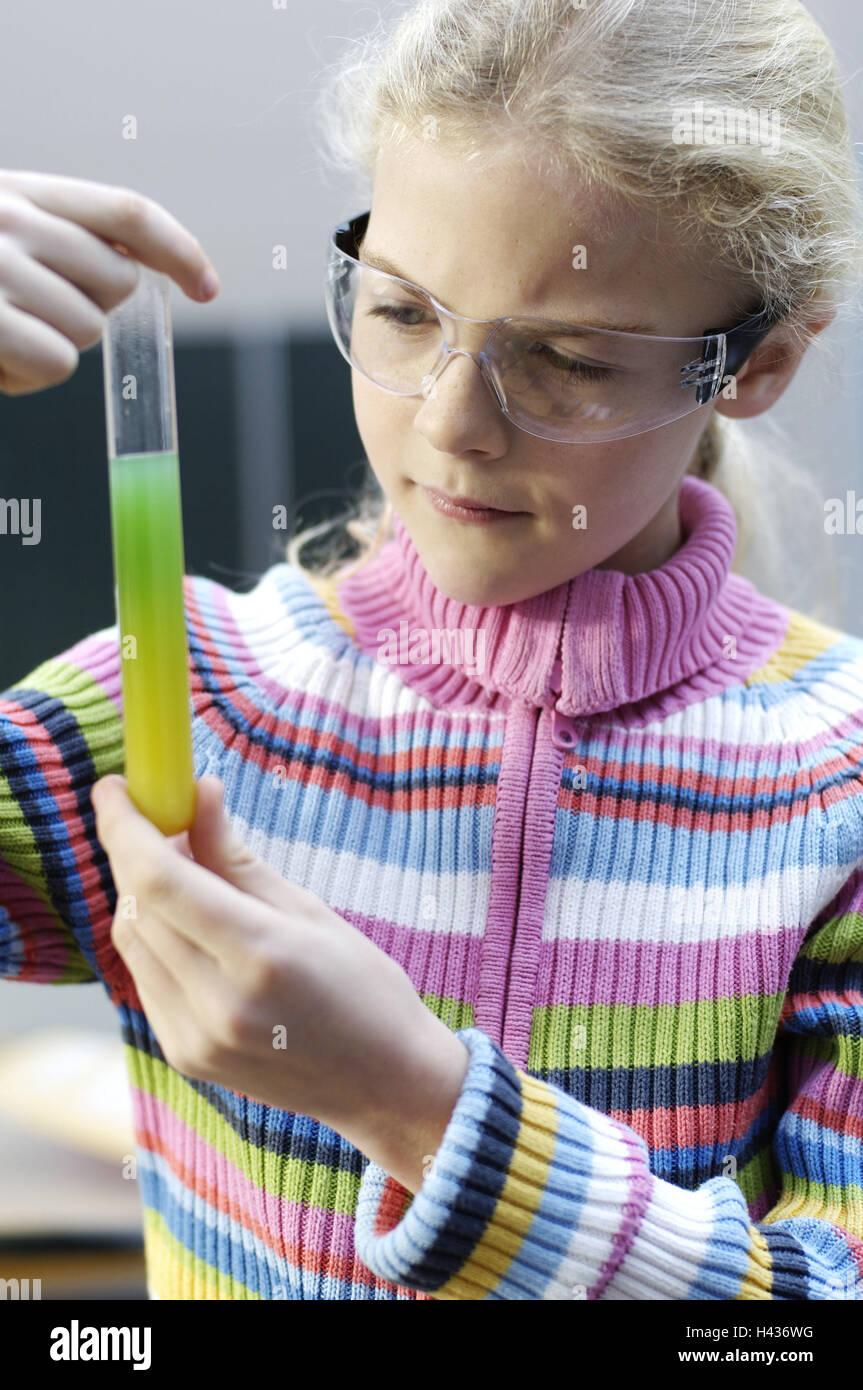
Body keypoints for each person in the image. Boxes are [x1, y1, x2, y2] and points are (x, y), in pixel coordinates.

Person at [1, 0, 862, 1301]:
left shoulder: (839, 783)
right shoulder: (182, 694)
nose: (454, 424)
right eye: (404, 312)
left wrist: (415, 1105)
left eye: (566, 357)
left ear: (761, 360)